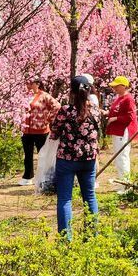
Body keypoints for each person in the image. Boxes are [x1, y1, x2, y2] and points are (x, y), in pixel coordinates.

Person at [50, 75, 100, 238]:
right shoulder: (95, 110)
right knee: (90, 197)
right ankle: (92, 235)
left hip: (67, 159)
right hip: (88, 160)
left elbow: (54, 132)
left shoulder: (65, 111)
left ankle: (66, 239)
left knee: (65, 199)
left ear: (71, 92)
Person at [18, 78, 61, 186]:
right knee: (28, 154)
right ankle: (27, 176)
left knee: (43, 155)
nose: (28, 85)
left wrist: (48, 119)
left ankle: (44, 177)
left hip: (40, 130)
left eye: (31, 83)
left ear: (37, 84)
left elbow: (57, 106)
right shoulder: (25, 96)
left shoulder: (44, 96)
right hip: (26, 130)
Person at [106, 76, 138, 192]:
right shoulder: (119, 98)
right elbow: (117, 112)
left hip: (123, 131)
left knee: (122, 157)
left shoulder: (128, 99)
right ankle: (122, 183)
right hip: (117, 131)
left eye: (116, 86)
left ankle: (126, 185)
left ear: (124, 86)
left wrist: (115, 119)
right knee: (118, 157)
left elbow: (130, 116)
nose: (114, 88)